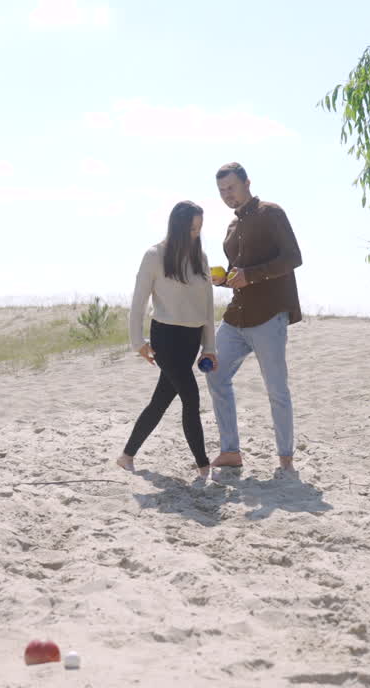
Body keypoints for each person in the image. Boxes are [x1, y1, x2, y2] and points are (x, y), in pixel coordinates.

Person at [206, 162, 303, 471]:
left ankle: (285, 459)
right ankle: (231, 452)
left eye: (231, 188)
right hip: (236, 316)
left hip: (269, 314)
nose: (227, 195)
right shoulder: (232, 227)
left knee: (276, 388)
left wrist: (252, 275)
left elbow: (293, 258)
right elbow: (239, 272)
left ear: (247, 182)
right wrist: (226, 279)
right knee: (214, 372)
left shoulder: (271, 212)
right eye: (222, 191)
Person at [117, 201, 218, 480]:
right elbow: (138, 302)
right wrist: (138, 341)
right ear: (177, 227)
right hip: (166, 337)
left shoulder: (201, 258)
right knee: (191, 397)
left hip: (191, 340)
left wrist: (209, 348)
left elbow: (208, 308)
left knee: (161, 400)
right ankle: (204, 466)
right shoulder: (154, 255)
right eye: (191, 229)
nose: (195, 234)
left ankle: (126, 457)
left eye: (199, 229)